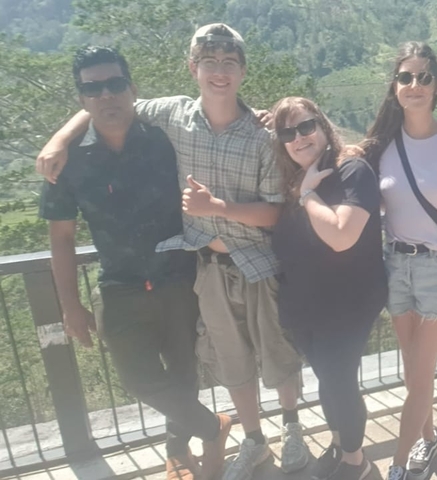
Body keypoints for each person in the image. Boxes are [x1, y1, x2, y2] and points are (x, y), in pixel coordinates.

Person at [34, 24, 309, 480]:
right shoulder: (158, 123)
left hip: (221, 268)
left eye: (228, 62)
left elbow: (280, 206)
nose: (218, 72)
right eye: (209, 62)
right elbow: (107, 113)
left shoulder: (222, 133)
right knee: (190, 371)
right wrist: (60, 138)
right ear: (193, 68)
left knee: (246, 361)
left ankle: (254, 435)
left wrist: (218, 204)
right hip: (165, 275)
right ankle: (234, 435)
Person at [39, 46, 231, 480]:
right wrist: (70, 306)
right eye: (93, 88)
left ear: (132, 88)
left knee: (183, 375)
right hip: (119, 287)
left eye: (114, 83)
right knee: (138, 380)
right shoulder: (69, 160)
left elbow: (217, 112)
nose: (106, 95)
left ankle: (177, 453)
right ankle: (212, 428)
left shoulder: (166, 136)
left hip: (178, 277)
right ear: (82, 99)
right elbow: (62, 237)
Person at [360, 42, 437, 480]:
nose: (414, 85)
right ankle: (427, 441)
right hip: (395, 264)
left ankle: (397, 467)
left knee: (419, 373)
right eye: (405, 77)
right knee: (414, 374)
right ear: (394, 86)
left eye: (424, 77)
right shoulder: (382, 145)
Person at [270, 97, 387, 480]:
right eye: (288, 132)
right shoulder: (293, 181)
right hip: (305, 305)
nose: (299, 137)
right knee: (328, 380)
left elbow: (341, 235)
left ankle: (358, 464)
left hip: (347, 304)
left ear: (322, 126)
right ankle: (340, 445)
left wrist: (308, 196)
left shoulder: (352, 171)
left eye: (306, 126)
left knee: (340, 379)